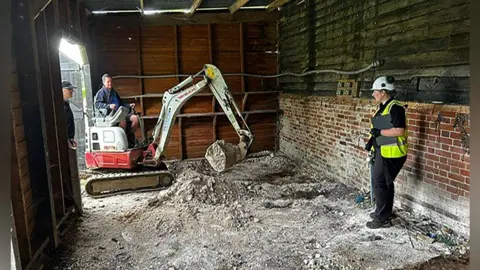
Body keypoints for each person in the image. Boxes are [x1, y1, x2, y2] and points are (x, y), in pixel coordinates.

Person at [364, 75, 408, 229]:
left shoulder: (396, 108)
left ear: (383, 91)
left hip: (391, 153)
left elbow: (399, 131)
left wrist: (379, 132)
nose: (373, 94)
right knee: (386, 183)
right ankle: (385, 212)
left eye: (375, 91)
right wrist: (371, 143)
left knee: (379, 183)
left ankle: (381, 217)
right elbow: (378, 130)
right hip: (382, 150)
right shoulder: (384, 107)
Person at [94, 73, 139, 147]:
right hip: (111, 115)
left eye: (111, 81)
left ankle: (129, 136)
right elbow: (97, 104)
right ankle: (124, 141)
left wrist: (129, 105)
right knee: (123, 121)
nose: (110, 83)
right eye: (108, 82)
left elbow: (120, 103)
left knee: (136, 119)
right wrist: (109, 106)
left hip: (121, 113)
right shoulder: (101, 93)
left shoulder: (114, 92)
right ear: (104, 82)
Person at [62, 80, 78, 149]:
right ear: (63, 90)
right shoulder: (60, 106)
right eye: (69, 89)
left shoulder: (66, 104)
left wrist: (71, 139)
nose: (72, 91)